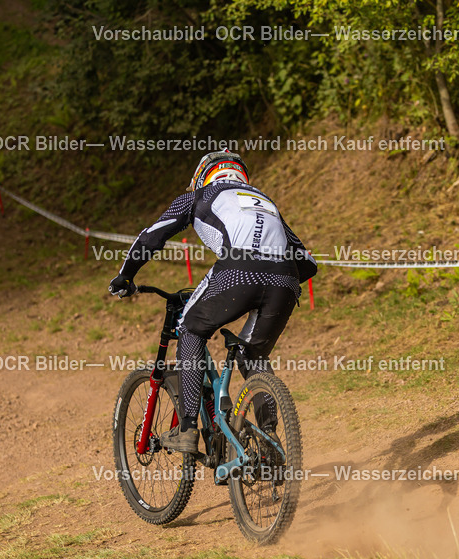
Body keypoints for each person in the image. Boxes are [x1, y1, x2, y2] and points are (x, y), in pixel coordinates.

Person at [108, 150, 316, 455]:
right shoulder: (265, 201)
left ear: (202, 176)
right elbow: (307, 264)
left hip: (237, 271)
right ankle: (269, 439)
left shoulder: (198, 195)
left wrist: (125, 276)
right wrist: (271, 279)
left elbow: (151, 237)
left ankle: (187, 429)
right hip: (285, 279)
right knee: (252, 354)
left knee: (190, 329)